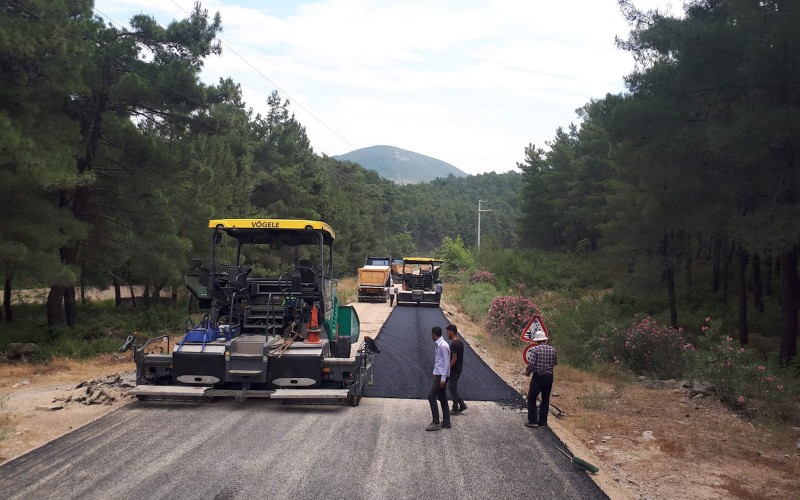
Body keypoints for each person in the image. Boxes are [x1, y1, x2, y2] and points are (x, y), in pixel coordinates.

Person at [524, 330, 557, 428]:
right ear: (545, 340)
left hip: (538, 377)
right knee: (545, 399)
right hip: (549, 378)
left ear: (537, 341)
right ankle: (543, 422)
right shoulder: (552, 350)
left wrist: (528, 372)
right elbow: (555, 362)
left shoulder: (535, 350)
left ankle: (533, 421)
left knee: (532, 397)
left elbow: (531, 364)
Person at [426, 326, 451, 431]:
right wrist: (435, 373)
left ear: (433, 334)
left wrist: (443, 379)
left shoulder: (443, 346)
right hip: (439, 374)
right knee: (442, 398)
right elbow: (440, 362)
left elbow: (446, 363)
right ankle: (446, 422)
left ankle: (436, 422)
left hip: (442, 376)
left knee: (431, 396)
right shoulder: (439, 345)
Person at [447, 324, 467, 413]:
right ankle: (462, 405)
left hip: (454, 370)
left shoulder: (454, 344)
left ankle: (456, 407)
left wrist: (448, 368)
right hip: (459, 369)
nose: (447, 334)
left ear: (451, 332)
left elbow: (454, 358)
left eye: (447, 332)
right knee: (452, 387)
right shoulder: (461, 343)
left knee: (452, 388)